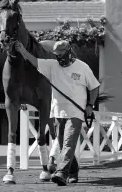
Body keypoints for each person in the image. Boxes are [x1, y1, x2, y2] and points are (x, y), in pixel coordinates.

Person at [15, 40, 100, 186]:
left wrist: (90, 105)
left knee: (68, 143)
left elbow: (94, 87)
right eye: (57, 55)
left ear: (69, 51)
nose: (59, 57)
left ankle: (62, 173)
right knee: (63, 145)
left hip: (76, 112)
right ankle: (74, 171)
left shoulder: (82, 67)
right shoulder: (51, 65)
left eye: (61, 54)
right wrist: (22, 50)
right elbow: (35, 62)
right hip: (58, 112)